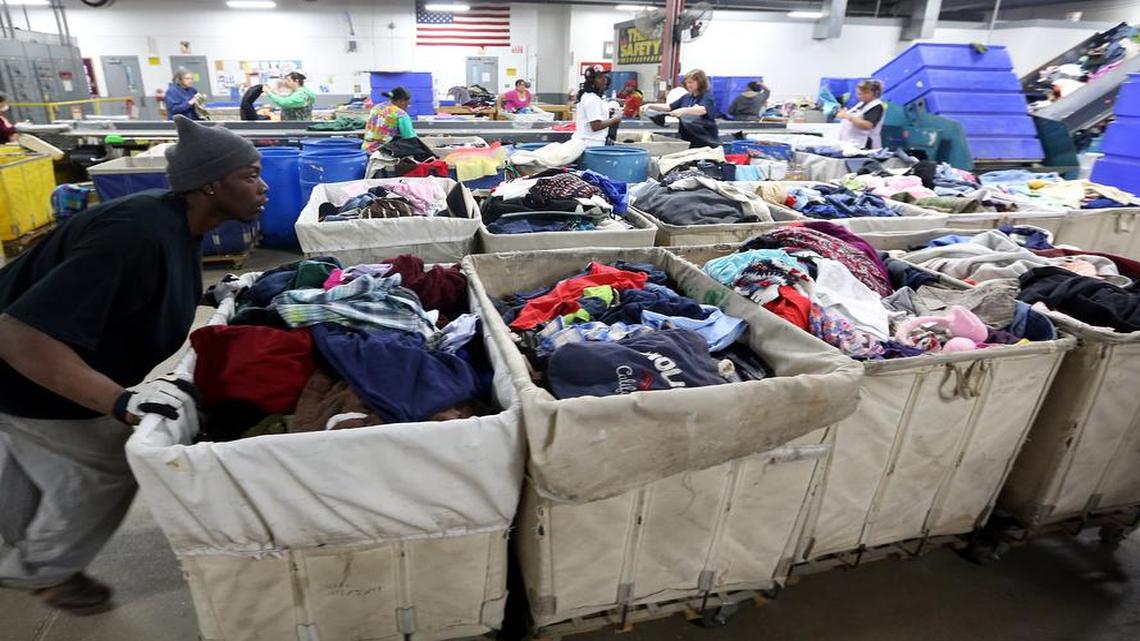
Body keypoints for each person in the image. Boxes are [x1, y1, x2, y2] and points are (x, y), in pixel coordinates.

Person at [0, 115, 267, 614]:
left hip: (30, 367)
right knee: (105, 461)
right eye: (250, 175)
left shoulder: (175, 222)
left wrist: (211, 294)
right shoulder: (136, 233)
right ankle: (40, 570)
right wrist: (118, 401)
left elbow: (138, 290)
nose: (263, 186)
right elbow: (18, 334)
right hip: (22, 368)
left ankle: (25, 543)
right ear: (210, 183)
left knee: (29, 451)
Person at [644, 69, 720, 148]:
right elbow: (669, 107)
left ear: (700, 82)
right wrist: (650, 105)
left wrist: (683, 111)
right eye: (687, 82)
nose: (688, 85)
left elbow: (702, 110)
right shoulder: (687, 97)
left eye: (691, 82)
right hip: (688, 138)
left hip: (706, 141)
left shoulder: (706, 96)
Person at [571, 67, 621, 148]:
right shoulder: (592, 98)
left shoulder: (590, 96)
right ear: (592, 81)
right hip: (590, 144)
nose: (605, 80)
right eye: (600, 77)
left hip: (588, 142)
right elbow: (596, 126)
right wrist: (615, 119)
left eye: (604, 77)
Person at [362, 86, 418, 153]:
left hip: (366, 149)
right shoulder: (400, 114)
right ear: (401, 101)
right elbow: (410, 138)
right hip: (383, 152)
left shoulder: (376, 108)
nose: (407, 106)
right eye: (407, 103)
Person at [836, 79, 886, 149]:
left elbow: (868, 125)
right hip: (852, 143)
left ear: (875, 93)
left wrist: (848, 117)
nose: (861, 96)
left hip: (865, 145)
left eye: (865, 93)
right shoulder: (861, 104)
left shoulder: (876, 106)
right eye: (859, 94)